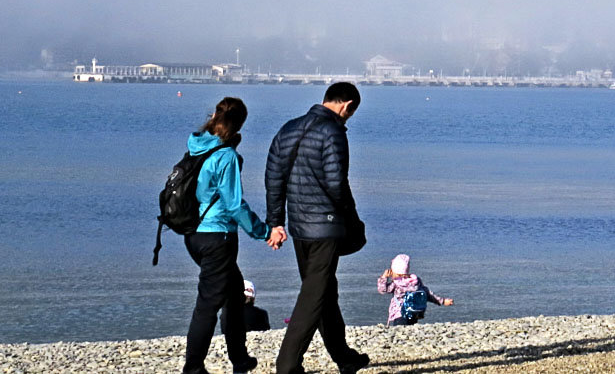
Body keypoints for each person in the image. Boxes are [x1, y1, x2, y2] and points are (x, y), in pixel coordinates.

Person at [265, 82, 370, 374]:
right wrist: (352, 219)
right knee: (314, 296)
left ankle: (344, 357)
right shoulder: (333, 132)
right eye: (351, 113)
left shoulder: (288, 129)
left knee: (324, 290)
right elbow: (337, 184)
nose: (348, 118)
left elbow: (274, 177)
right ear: (346, 105)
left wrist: (275, 222)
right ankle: (287, 365)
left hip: (300, 227)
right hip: (326, 227)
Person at [181, 97, 271, 374]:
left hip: (193, 234)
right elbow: (234, 204)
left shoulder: (197, 147)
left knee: (233, 294)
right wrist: (263, 231)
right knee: (207, 306)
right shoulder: (226, 156)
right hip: (217, 236)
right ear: (239, 123)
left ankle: (240, 359)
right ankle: (193, 368)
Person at [377, 254, 454, 325]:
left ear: (396, 272)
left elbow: (382, 290)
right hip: (415, 313)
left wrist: (384, 277)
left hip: (400, 314)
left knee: (400, 331)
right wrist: (443, 301)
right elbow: (428, 294)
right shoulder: (415, 281)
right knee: (411, 328)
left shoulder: (396, 284)